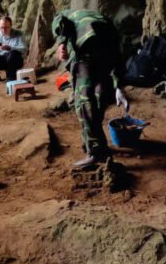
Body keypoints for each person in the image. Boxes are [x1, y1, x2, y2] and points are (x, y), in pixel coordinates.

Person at [52, 9, 130, 168]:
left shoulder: (66, 14)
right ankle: (95, 143)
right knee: (98, 98)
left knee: (84, 102)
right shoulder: (101, 19)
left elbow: (60, 21)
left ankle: (96, 152)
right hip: (105, 50)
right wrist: (118, 86)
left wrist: (61, 43)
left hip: (86, 50)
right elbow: (117, 55)